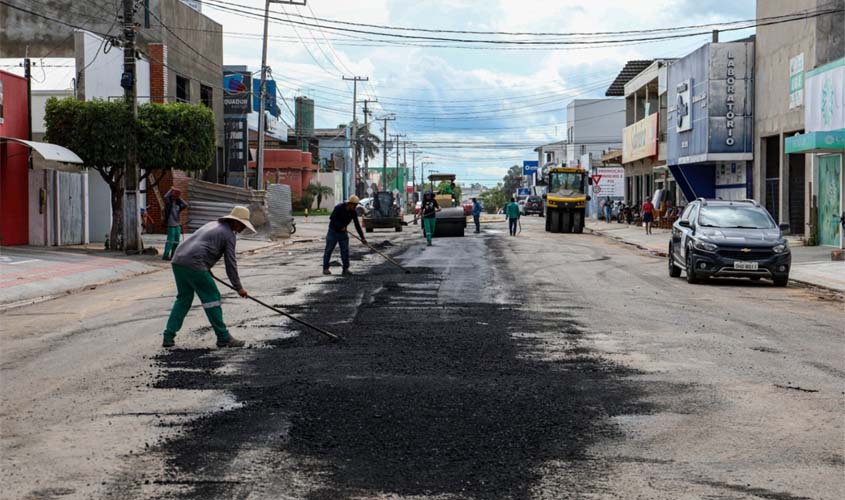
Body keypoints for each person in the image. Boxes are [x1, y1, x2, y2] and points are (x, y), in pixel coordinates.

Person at [161, 206, 254, 349]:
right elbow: (230, 263)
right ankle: (223, 337)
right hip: (194, 264)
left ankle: (168, 336)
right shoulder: (229, 235)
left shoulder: (212, 224)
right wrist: (238, 287)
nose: (243, 228)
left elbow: (201, 246)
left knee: (183, 299)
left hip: (178, 260)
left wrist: (207, 268)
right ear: (235, 222)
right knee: (212, 298)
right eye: (242, 225)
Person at [323, 195, 367, 275]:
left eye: (356, 205)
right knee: (328, 250)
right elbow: (332, 218)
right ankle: (325, 268)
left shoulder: (353, 212)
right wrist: (340, 226)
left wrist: (362, 238)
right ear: (349, 204)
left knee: (345, 251)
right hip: (333, 232)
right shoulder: (339, 208)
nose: (355, 207)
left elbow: (357, 225)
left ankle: (345, 269)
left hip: (343, 233)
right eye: (354, 205)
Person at [162, 188, 188, 261]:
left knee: (176, 241)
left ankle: (173, 255)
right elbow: (165, 196)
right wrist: (171, 190)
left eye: (176, 196)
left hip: (177, 224)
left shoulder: (178, 204)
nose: (174, 197)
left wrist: (179, 198)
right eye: (173, 196)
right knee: (170, 240)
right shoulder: (169, 203)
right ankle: (165, 255)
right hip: (171, 223)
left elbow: (185, 204)